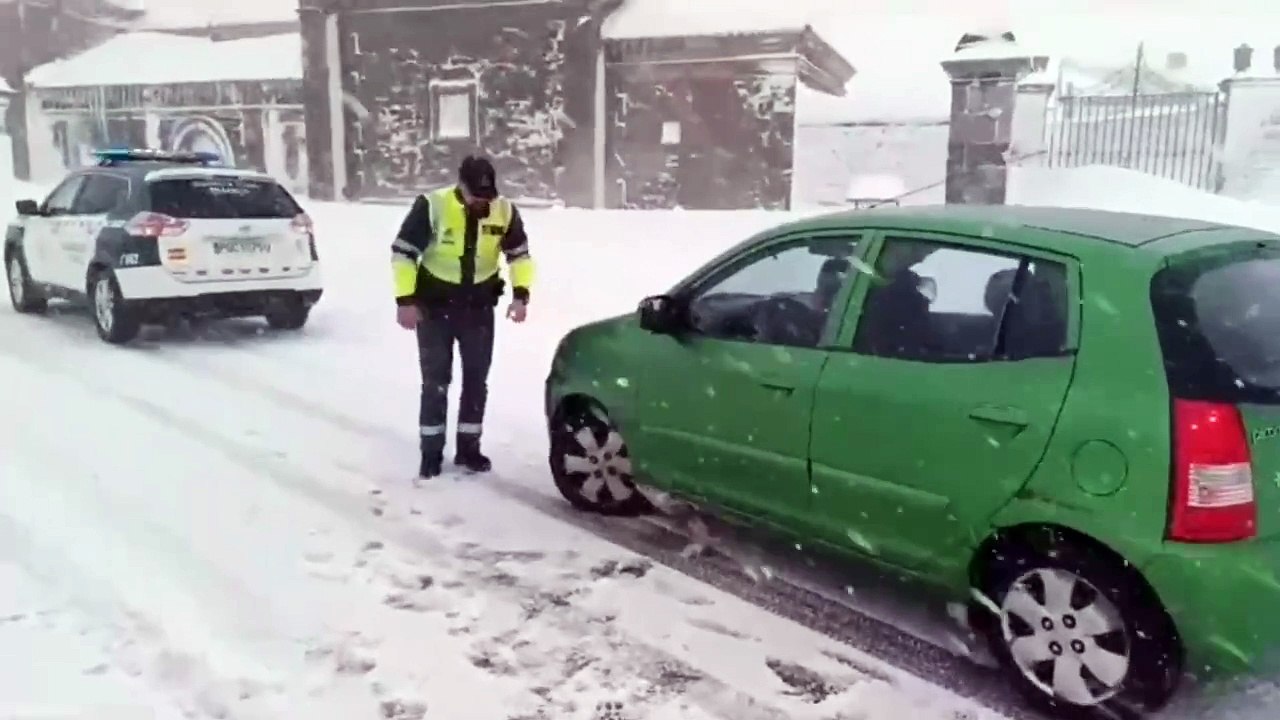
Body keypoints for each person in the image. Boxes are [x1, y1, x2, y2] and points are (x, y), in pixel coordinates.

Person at [390, 155, 535, 480]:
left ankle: (469, 449)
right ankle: (431, 453)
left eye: (487, 197)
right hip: (434, 308)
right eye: (475, 197)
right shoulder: (432, 206)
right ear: (461, 187)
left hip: (478, 310)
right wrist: (405, 300)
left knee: (475, 382)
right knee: (436, 382)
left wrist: (521, 295)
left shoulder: (504, 211)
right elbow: (403, 254)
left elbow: (520, 256)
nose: (482, 203)